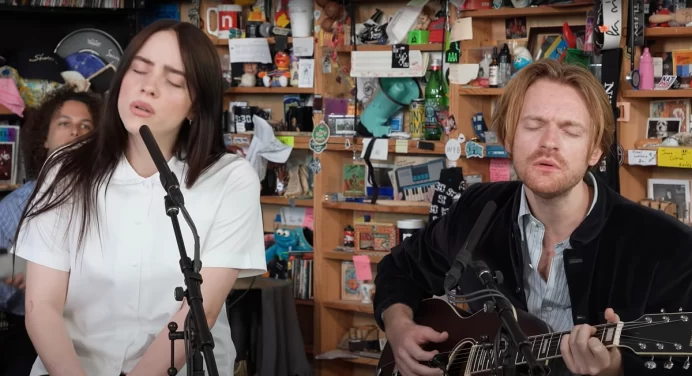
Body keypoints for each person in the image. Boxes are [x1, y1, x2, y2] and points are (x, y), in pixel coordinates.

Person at [373, 59, 692, 376]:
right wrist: (398, 327)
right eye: (534, 124)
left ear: (594, 151)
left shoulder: (667, 247)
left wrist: (618, 367)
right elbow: (400, 268)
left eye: (570, 130)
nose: (548, 143)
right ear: (509, 138)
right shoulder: (478, 210)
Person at [11, 19, 266, 376]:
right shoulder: (65, 168)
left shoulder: (230, 178)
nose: (148, 88)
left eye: (174, 82)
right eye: (140, 70)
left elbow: (200, 311)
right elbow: (42, 305)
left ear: (197, 105)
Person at [0, 86, 101, 376]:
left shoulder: (114, 196)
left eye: (86, 126)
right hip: (28, 333)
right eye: (64, 123)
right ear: (45, 138)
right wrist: (15, 271)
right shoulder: (13, 207)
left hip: (100, 330)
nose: (75, 132)